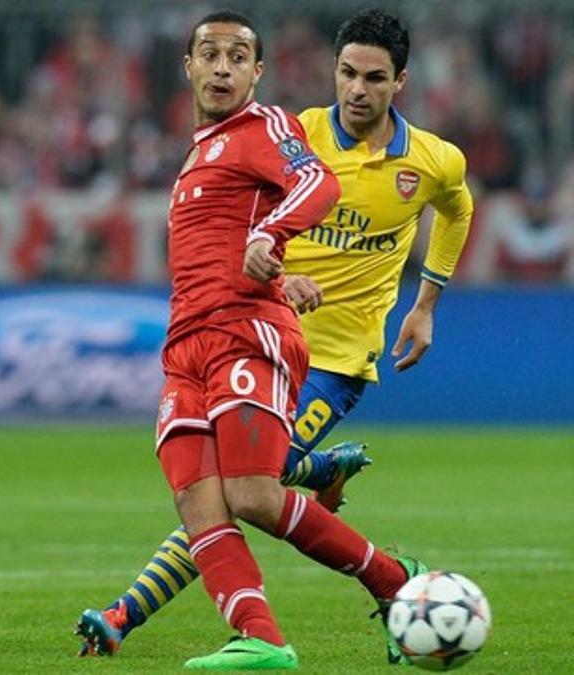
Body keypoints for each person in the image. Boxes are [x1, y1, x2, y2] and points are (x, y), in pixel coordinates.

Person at [76, 9, 473, 666]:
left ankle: (139, 609)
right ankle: (310, 487)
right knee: (221, 487)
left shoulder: (429, 159)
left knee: (248, 488)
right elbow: (251, 216)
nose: (357, 90)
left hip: (327, 358)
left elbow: (457, 209)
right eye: (347, 73)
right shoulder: (297, 130)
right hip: (245, 325)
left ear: (400, 81)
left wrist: (426, 300)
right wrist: (275, 269)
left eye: (375, 78)